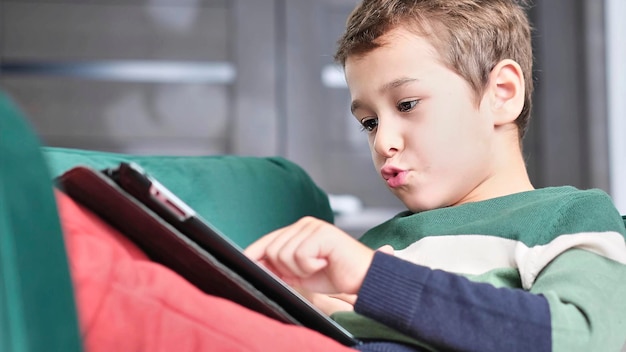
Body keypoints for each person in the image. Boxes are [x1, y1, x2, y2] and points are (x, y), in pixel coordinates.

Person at [244, 0, 626, 351]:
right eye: (369, 123)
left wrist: (374, 282)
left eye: (407, 104)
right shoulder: (377, 245)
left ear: (503, 93)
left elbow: (587, 339)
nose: (383, 143)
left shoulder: (568, 219)